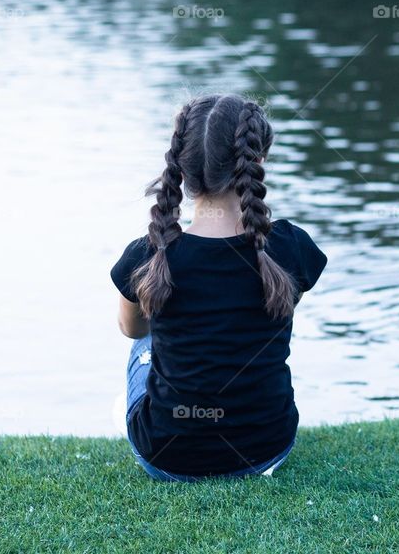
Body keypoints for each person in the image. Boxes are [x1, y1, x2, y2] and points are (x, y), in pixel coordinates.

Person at [111, 94, 327, 481]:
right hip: (267, 450)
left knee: (142, 342)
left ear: (181, 166)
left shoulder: (149, 255)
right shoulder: (290, 247)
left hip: (166, 458)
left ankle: (149, 419)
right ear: (257, 161)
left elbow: (132, 329)